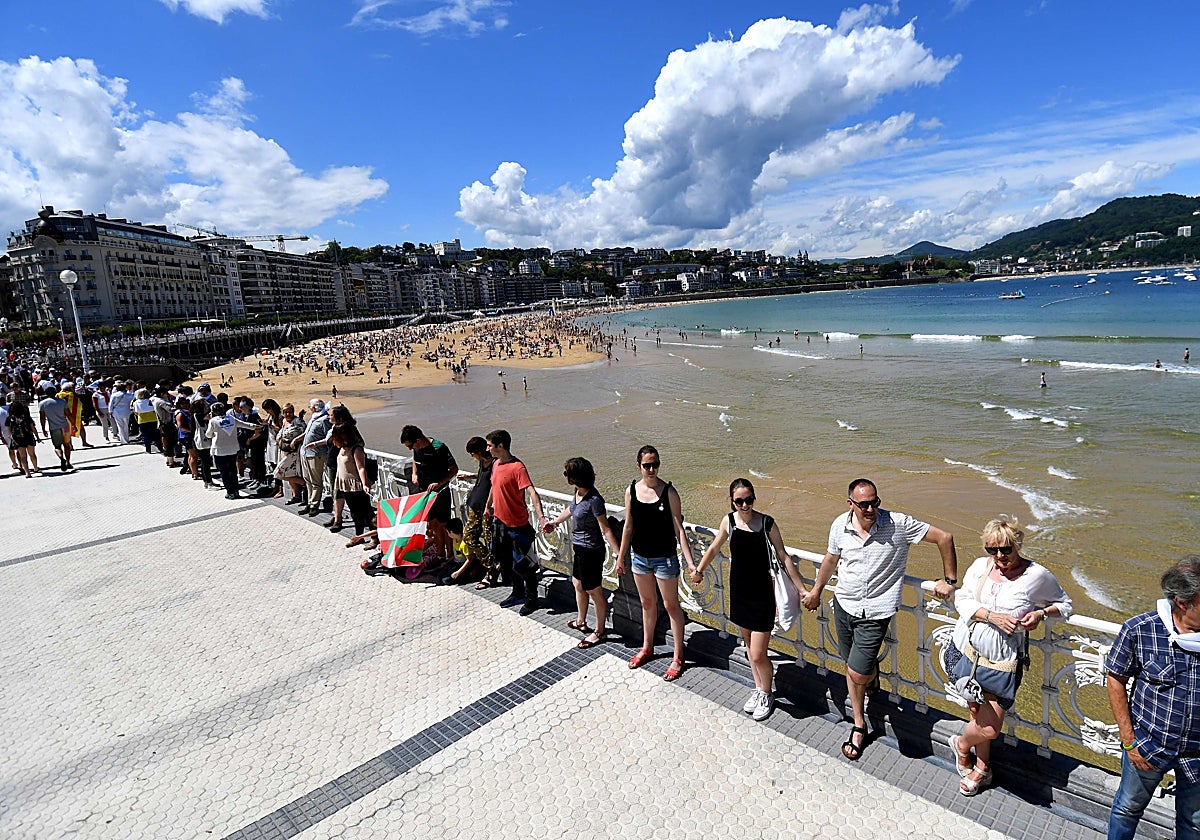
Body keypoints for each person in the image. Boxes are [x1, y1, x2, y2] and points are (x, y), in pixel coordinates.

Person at [802, 478, 958, 760]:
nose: (871, 508)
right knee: (854, 666)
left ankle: (859, 725)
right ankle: (871, 677)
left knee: (856, 672)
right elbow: (830, 560)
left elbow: (944, 538)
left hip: (876, 611)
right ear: (851, 504)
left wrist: (949, 580)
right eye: (864, 504)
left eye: (875, 502)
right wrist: (816, 591)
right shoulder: (840, 525)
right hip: (844, 605)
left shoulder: (899, 524)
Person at [946, 519, 1071, 796]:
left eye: (1005, 549)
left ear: (1017, 545)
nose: (999, 557)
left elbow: (1065, 604)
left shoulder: (1036, 575)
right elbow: (963, 600)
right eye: (992, 550)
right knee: (976, 714)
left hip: (1002, 663)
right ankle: (982, 767)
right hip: (968, 652)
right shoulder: (981, 566)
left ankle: (961, 744)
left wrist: (1040, 614)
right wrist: (992, 617)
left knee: (989, 728)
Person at [693, 478, 807, 721]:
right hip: (740, 592)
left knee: (757, 654)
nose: (744, 506)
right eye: (739, 501)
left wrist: (802, 590)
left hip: (763, 594)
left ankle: (767, 692)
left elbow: (784, 557)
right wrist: (699, 570)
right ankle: (759, 689)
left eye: (749, 500)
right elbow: (714, 548)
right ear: (732, 501)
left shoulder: (766, 523)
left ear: (754, 498)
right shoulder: (729, 521)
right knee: (747, 646)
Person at [1106, 557, 1200, 840]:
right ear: (1182, 602)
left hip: (1198, 755)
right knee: (1127, 809)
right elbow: (1115, 678)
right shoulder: (1140, 630)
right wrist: (1130, 741)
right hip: (1148, 747)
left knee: (1194, 824)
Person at [616, 445, 698, 682]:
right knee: (647, 603)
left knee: (671, 606)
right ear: (638, 466)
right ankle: (647, 647)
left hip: (665, 559)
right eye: (647, 465)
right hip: (639, 558)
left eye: (655, 464)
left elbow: (678, 528)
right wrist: (621, 557)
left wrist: (691, 564)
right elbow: (628, 527)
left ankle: (678, 657)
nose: (651, 469)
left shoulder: (669, 492)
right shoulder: (631, 490)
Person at [543, 457, 621, 648]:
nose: (565, 476)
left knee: (594, 591)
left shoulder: (595, 500)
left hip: (591, 551)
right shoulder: (577, 493)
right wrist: (555, 522)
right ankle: (581, 621)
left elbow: (606, 529)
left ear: (576, 476)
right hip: (579, 548)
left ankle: (600, 631)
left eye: (566, 473)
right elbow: (571, 509)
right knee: (578, 584)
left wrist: (618, 554)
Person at [484, 429, 548, 616]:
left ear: (500, 446)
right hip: (500, 523)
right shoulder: (495, 464)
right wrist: (489, 506)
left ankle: (532, 599)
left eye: (489, 445)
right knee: (507, 562)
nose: (487, 448)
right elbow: (493, 487)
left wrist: (542, 517)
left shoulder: (518, 467)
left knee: (524, 565)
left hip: (518, 526)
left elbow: (532, 493)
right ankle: (517, 593)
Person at [400, 425, 458, 566]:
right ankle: (439, 554)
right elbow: (415, 459)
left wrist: (439, 483)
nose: (410, 449)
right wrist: (414, 473)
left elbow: (454, 469)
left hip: (441, 492)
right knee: (434, 524)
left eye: (410, 446)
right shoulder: (417, 449)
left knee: (444, 525)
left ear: (418, 440)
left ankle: (449, 555)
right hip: (425, 493)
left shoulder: (439, 448)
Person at [445, 436, 493, 587]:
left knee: (489, 539)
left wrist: (489, 507)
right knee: (469, 537)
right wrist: (470, 476)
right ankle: (490, 563)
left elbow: (494, 484)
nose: (472, 457)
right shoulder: (482, 462)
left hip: (487, 509)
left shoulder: (495, 464)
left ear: (478, 452)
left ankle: (490, 570)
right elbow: (483, 477)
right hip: (475, 506)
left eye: (472, 454)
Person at [331, 415, 375, 546]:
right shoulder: (342, 449)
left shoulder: (356, 449)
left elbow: (361, 468)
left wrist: (365, 484)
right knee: (355, 513)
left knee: (367, 512)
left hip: (356, 485)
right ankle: (359, 536)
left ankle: (374, 538)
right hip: (345, 485)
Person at [206, 402, 261, 500]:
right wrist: (256, 426)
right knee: (232, 471)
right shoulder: (231, 418)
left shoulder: (213, 421)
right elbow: (245, 424)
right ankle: (235, 491)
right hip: (232, 450)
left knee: (224, 472)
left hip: (219, 451)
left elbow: (208, 435)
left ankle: (230, 491)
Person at [298, 399, 332, 517]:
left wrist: (316, 444)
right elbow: (307, 434)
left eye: (310, 406)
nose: (309, 409)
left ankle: (314, 505)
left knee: (315, 481)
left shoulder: (324, 419)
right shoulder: (314, 418)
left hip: (316, 454)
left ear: (315, 408)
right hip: (305, 453)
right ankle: (310, 502)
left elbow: (329, 437)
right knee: (308, 480)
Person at [38, 385, 74, 471]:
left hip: (54, 428)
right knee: (67, 445)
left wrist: (43, 429)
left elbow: (42, 418)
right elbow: (68, 414)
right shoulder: (62, 402)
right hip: (64, 426)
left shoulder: (42, 404)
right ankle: (68, 462)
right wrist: (73, 425)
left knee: (57, 447)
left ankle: (61, 458)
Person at [4, 393, 40, 477]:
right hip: (28, 436)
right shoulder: (26, 416)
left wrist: (11, 437)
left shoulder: (9, 418)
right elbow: (32, 427)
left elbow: (8, 430)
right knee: (32, 454)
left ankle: (27, 472)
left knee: (23, 456)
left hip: (18, 438)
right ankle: (35, 468)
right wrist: (37, 437)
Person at [132, 388, 160, 455]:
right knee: (156, 435)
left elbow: (136, 412)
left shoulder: (135, 402)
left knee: (145, 435)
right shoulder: (150, 401)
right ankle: (160, 447)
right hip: (153, 419)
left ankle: (148, 449)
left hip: (142, 420)